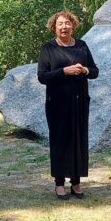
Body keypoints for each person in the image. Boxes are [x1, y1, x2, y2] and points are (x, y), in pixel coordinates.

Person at [37, 11, 99, 199]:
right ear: (54, 27)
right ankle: (59, 183)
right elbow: (42, 77)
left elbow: (95, 71)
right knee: (60, 142)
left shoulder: (82, 46)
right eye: (60, 24)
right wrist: (64, 71)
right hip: (57, 104)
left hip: (79, 102)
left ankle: (76, 182)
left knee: (78, 140)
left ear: (73, 26)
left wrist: (85, 70)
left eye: (67, 23)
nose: (64, 27)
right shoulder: (48, 49)